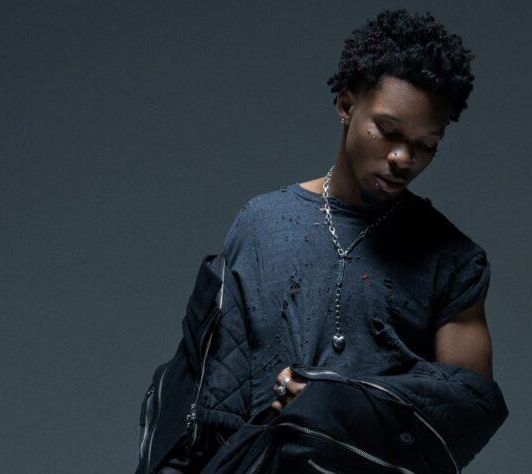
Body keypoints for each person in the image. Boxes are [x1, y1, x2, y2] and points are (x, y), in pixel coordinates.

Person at [142, 8, 502, 472]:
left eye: (425, 146)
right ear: (346, 105)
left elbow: (470, 410)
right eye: (389, 132)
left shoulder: (453, 260)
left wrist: (334, 405)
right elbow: (206, 402)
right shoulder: (261, 224)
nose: (402, 157)